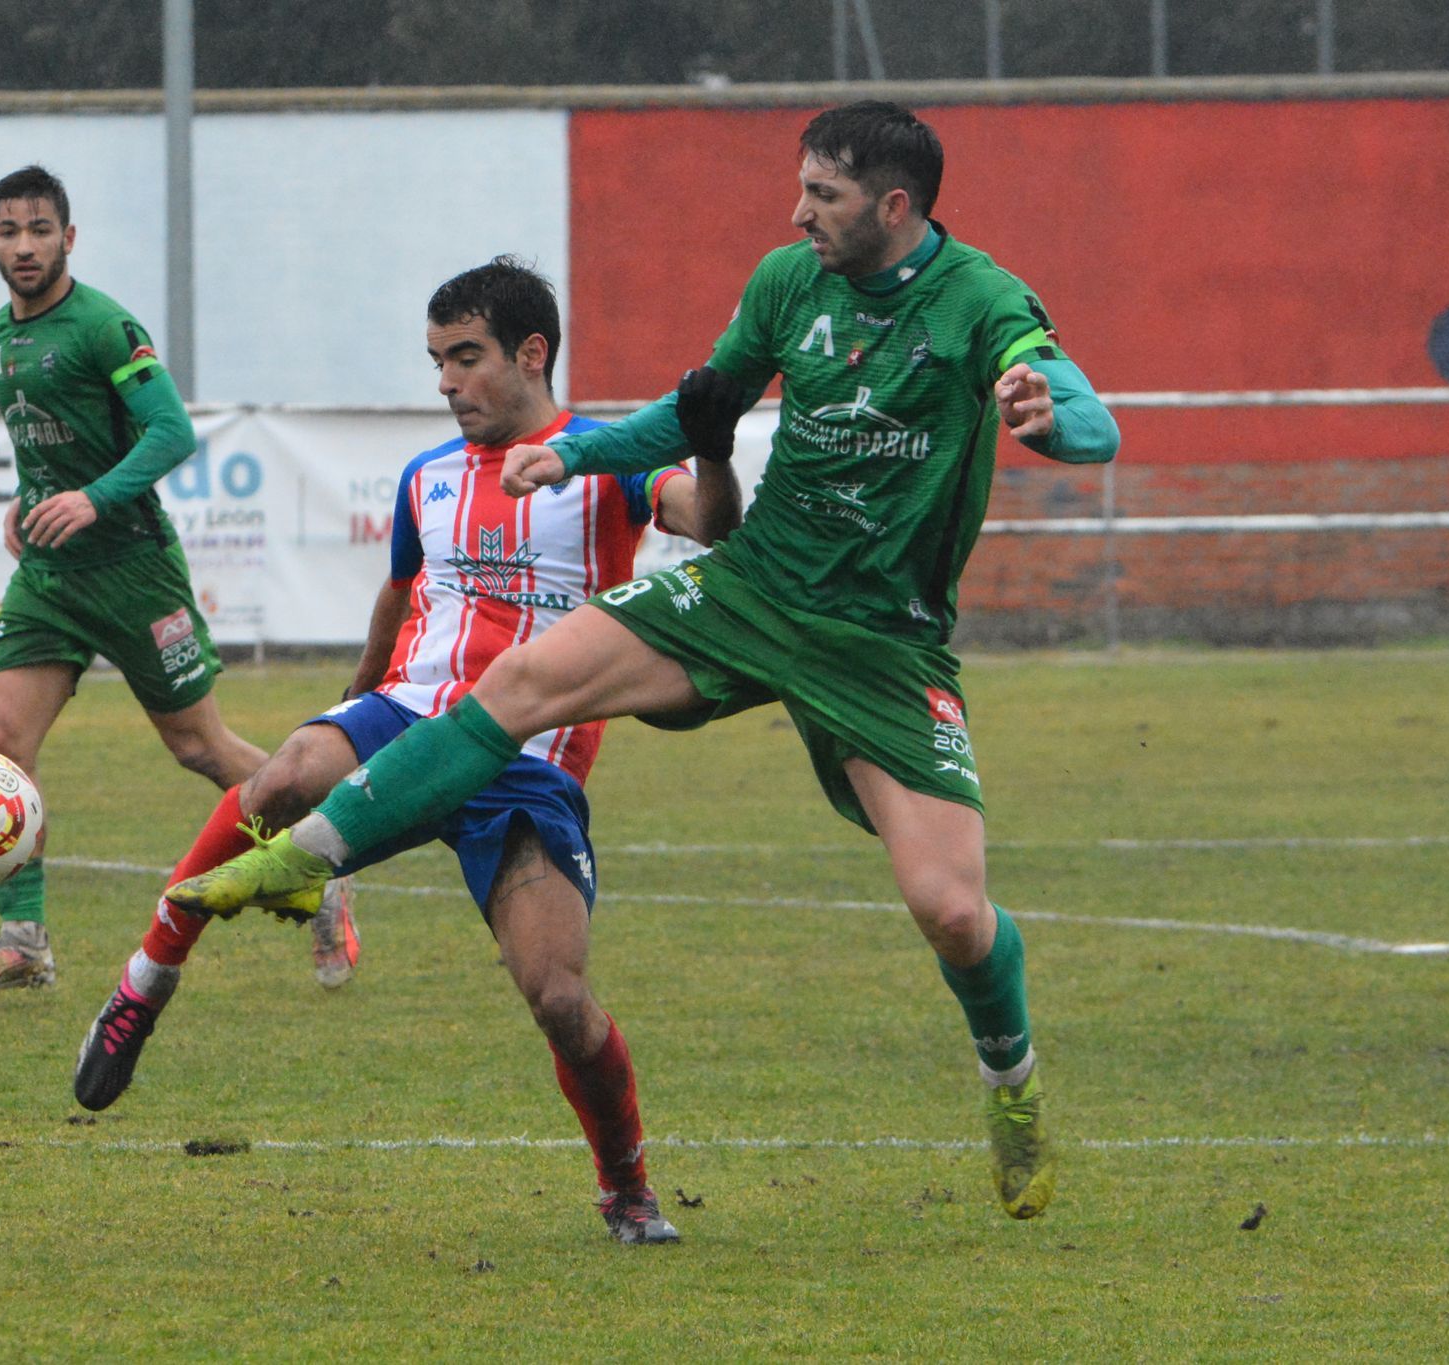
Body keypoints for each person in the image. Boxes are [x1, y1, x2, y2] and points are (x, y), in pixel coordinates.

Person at [162, 103, 1121, 1222]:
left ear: (894, 207)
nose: (796, 211)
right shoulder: (785, 282)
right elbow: (696, 410)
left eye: (822, 195)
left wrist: (1046, 413)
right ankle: (307, 855)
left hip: (881, 640)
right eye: (799, 188)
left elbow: (1086, 419)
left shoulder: (981, 300)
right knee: (519, 683)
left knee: (951, 911)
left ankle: (1010, 1092)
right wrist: (572, 452)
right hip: (751, 586)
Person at [72, 256, 741, 1245]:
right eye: (434, 361)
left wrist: (715, 448)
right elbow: (399, 592)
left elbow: (713, 522)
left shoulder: (609, 457)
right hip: (407, 716)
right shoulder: (426, 477)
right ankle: (143, 984)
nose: (444, 382)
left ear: (530, 352)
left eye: (464, 358)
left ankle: (626, 1184)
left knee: (559, 998)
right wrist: (350, 704)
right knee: (285, 776)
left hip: (525, 763)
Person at [0, 164, 355, 996]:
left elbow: (171, 433)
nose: (24, 246)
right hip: (49, 578)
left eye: (39, 229)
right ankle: (23, 941)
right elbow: (47, 451)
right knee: (1, 748)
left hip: (133, 570)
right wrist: (29, 508)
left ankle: (329, 857)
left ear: (69, 236)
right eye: (8, 231)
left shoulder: (104, 325)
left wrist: (94, 500)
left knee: (198, 746)